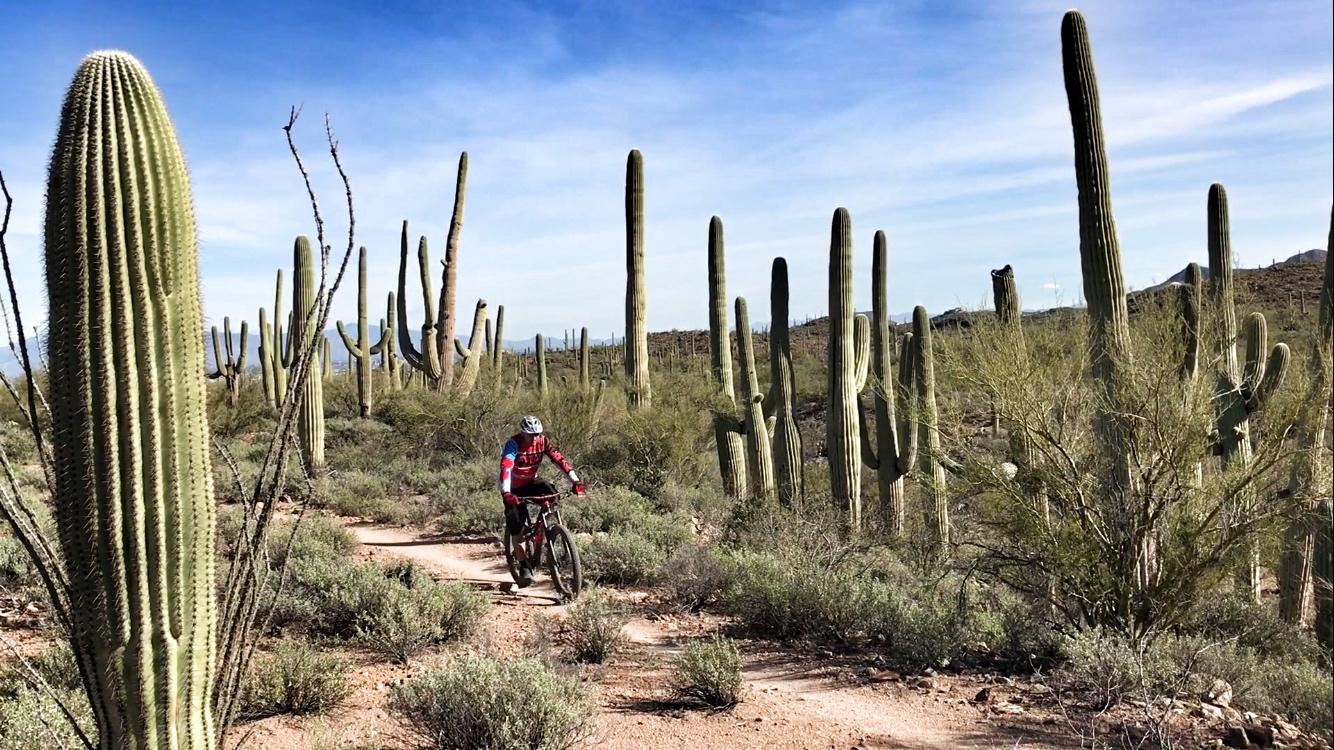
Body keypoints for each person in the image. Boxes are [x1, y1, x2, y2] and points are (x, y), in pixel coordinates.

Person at [499, 415, 585, 587]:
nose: (534, 438)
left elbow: (559, 459)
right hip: (513, 488)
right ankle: (524, 565)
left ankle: (546, 530)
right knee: (516, 526)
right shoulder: (513, 444)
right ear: (523, 433)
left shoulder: (543, 442)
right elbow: (506, 467)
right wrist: (506, 492)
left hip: (531, 482)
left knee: (552, 495)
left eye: (537, 434)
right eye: (531, 435)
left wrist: (575, 481)